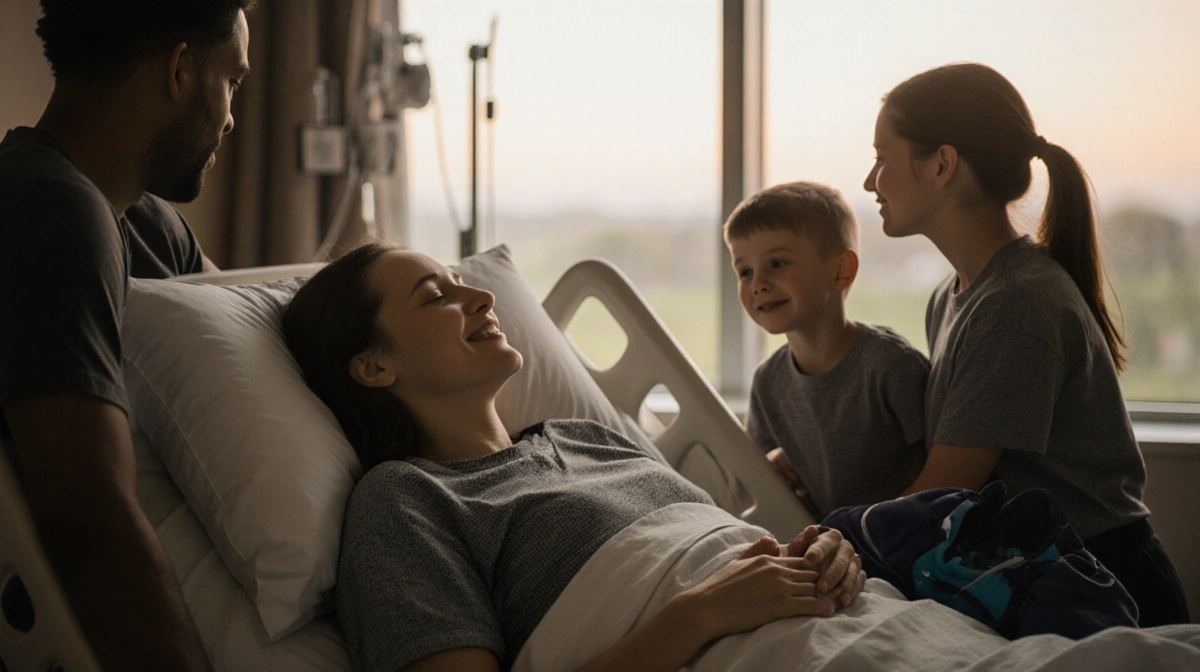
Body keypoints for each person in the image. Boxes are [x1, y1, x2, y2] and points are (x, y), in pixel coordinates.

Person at [281, 242, 867, 672]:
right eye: (437, 297)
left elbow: (727, 557)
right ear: (374, 366)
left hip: (864, 624)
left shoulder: (587, 437)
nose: (482, 297)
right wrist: (701, 614)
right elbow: (714, 595)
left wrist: (821, 553)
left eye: (463, 280)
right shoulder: (403, 501)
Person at [862, 62, 1189, 626]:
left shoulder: (1015, 304)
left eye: (881, 158)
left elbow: (941, 493)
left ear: (941, 165)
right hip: (1038, 578)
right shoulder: (955, 296)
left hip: (1101, 588)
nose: (870, 182)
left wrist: (837, 538)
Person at [0, 1, 255, 668]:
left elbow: (258, 340)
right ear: (179, 70)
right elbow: (89, 521)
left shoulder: (144, 224)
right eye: (231, 81)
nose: (231, 116)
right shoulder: (47, 211)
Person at [724, 181, 929, 519]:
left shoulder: (892, 367)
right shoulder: (767, 382)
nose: (757, 283)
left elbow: (944, 478)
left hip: (902, 548)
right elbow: (755, 487)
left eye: (777, 263)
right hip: (822, 547)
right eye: (744, 271)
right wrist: (771, 465)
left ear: (841, 270)